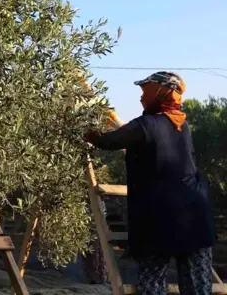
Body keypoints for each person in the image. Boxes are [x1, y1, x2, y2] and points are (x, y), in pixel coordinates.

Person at [84, 71, 215, 295]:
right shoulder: (182, 126)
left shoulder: (145, 125)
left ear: (160, 92)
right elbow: (139, 136)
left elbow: (107, 141)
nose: (141, 97)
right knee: (197, 285)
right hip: (196, 217)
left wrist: (83, 127)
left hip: (159, 219)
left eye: (145, 91)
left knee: (152, 281)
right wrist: (112, 118)